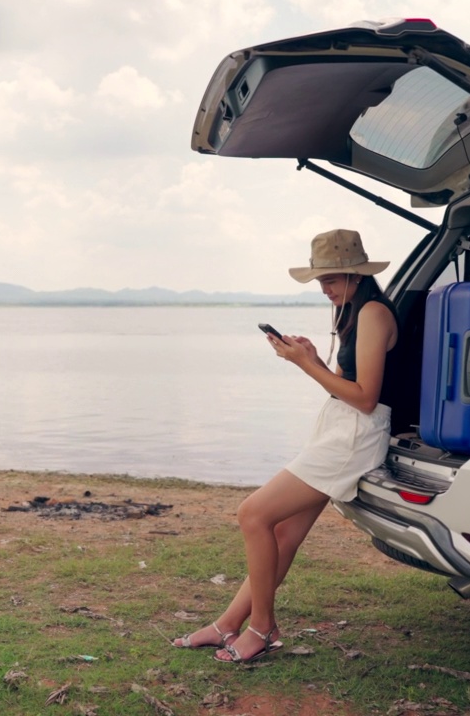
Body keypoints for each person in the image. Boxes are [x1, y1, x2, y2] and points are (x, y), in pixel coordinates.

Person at [172, 228, 398, 663]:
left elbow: (366, 398)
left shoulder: (372, 312)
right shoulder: (354, 311)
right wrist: (312, 361)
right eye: (320, 281)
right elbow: (347, 389)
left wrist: (304, 365)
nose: (325, 288)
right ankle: (227, 625)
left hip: (354, 435)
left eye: (331, 279)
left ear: (355, 274)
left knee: (253, 514)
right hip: (340, 428)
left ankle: (262, 625)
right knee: (282, 531)